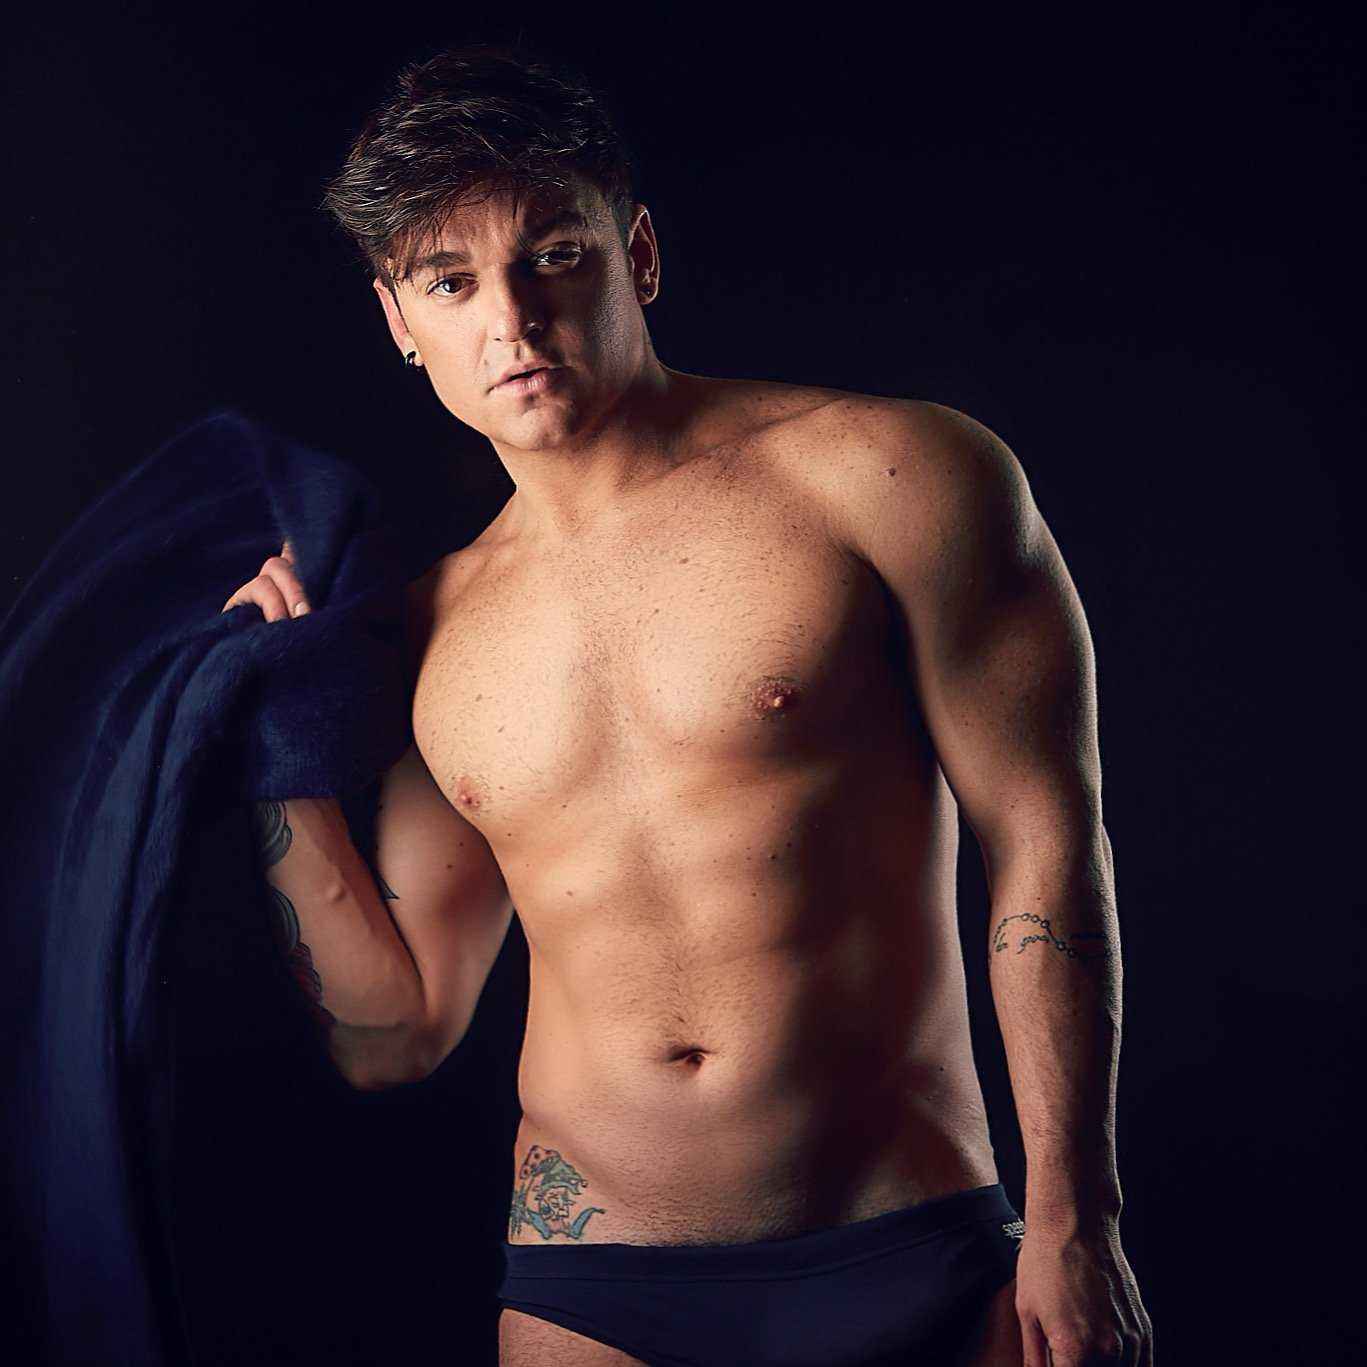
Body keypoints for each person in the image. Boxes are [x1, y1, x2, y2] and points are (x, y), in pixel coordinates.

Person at [223, 43, 1154, 1367]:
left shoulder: (890, 477)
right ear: (399, 320)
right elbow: (399, 1033)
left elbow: (1046, 839)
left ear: (639, 256)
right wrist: (282, 759)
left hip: (907, 1243)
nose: (511, 320)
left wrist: (1073, 1215)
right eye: (451, 280)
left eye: (554, 256)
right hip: (594, 1289)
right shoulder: (427, 630)